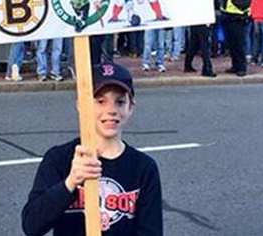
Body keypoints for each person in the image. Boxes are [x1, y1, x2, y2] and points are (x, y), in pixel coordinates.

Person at [21, 62, 163, 236]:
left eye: (119, 102)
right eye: (100, 101)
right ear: (82, 105)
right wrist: (70, 182)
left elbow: (151, 230)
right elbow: (32, 226)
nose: (111, 110)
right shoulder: (59, 158)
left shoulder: (143, 167)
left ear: (131, 107)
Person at [221, 0, 253, 77]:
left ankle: (242, 68)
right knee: (232, 46)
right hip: (229, 20)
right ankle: (235, 66)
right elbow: (224, 5)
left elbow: (244, 5)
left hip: (239, 21)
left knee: (239, 45)